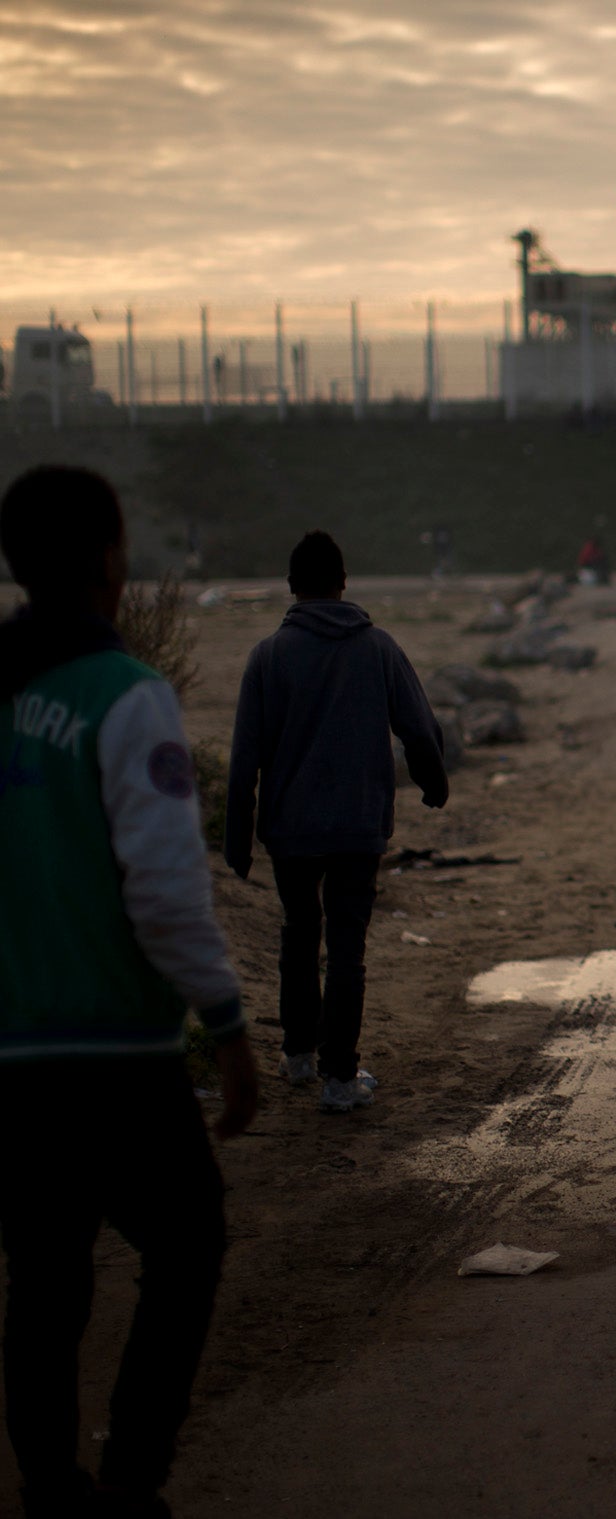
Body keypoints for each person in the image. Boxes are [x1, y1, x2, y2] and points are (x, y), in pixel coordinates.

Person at [0, 465, 258, 1519]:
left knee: (45, 1283)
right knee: (188, 1244)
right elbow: (162, 890)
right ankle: (131, 1476)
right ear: (111, 561)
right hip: (115, 1050)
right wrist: (228, 1023)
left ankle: (54, 1489)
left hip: (11, 1058)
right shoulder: (125, 697)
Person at [225, 531, 448, 1114]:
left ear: (292, 588)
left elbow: (244, 757)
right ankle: (339, 1080)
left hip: (291, 830)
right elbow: (419, 730)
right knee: (346, 947)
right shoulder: (377, 648)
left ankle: (298, 1056)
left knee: (299, 935)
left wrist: (236, 839)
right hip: (356, 827)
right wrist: (433, 783)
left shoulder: (267, 657)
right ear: (343, 583)